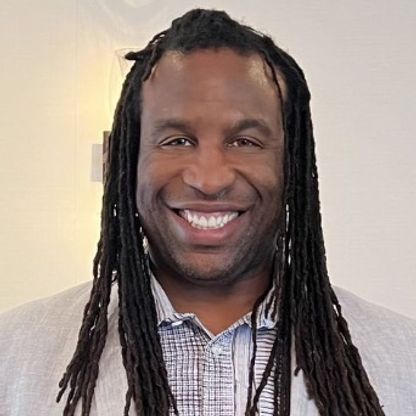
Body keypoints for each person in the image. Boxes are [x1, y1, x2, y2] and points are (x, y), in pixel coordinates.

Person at [1, 8, 415, 416]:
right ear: (122, 161)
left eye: (245, 142)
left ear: (293, 165)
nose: (210, 179)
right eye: (177, 141)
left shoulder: (403, 360)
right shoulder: (15, 355)